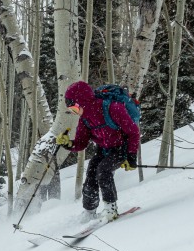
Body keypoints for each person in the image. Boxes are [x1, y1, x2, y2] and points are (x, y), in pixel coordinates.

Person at [56, 81, 140, 222]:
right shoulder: (85, 120)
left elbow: (133, 133)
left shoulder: (113, 108)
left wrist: (131, 156)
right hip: (104, 149)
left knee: (103, 171)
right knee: (91, 174)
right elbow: (81, 143)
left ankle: (110, 209)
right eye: (72, 110)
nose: (74, 112)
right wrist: (68, 143)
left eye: (74, 108)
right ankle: (89, 211)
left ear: (83, 101)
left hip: (121, 148)